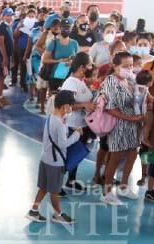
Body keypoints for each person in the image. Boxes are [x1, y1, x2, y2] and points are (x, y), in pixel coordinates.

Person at [27, 90, 79, 225]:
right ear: (64, 106)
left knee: (43, 187)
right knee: (55, 190)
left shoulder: (51, 117)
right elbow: (63, 144)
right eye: (70, 106)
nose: (71, 108)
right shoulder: (60, 124)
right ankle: (58, 214)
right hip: (55, 162)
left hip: (45, 158)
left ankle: (34, 210)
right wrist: (76, 135)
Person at [98, 51, 143, 206]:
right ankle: (107, 192)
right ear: (115, 66)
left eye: (131, 65)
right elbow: (110, 108)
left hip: (133, 124)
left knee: (132, 153)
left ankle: (124, 186)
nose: (129, 68)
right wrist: (130, 118)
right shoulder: (110, 82)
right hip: (119, 125)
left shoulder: (131, 79)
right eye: (125, 66)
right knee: (115, 158)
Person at [60, 53, 96, 192]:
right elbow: (65, 105)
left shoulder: (81, 82)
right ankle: (56, 184)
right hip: (72, 125)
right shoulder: (70, 83)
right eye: (90, 65)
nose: (92, 67)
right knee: (67, 154)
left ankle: (71, 180)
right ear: (81, 67)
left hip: (82, 124)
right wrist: (83, 105)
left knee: (77, 154)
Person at [40, 18, 78, 93]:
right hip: (55, 76)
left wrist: (71, 62)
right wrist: (58, 61)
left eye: (68, 28)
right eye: (64, 27)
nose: (66, 30)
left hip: (69, 76)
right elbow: (44, 60)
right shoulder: (53, 43)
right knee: (54, 97)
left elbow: (76, 58)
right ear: (60, 28)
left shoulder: (74, 43)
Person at [0, 8, 14, 109]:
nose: (10, 17)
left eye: (11, 15)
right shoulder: (1, 27)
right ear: (3, 16)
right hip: (1, 56)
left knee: (3, 76)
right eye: (8, 15)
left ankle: (0, 97)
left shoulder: (8, 27)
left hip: (7, 56)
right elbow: (1, 44)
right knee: (0, 77)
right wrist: (5, 58)